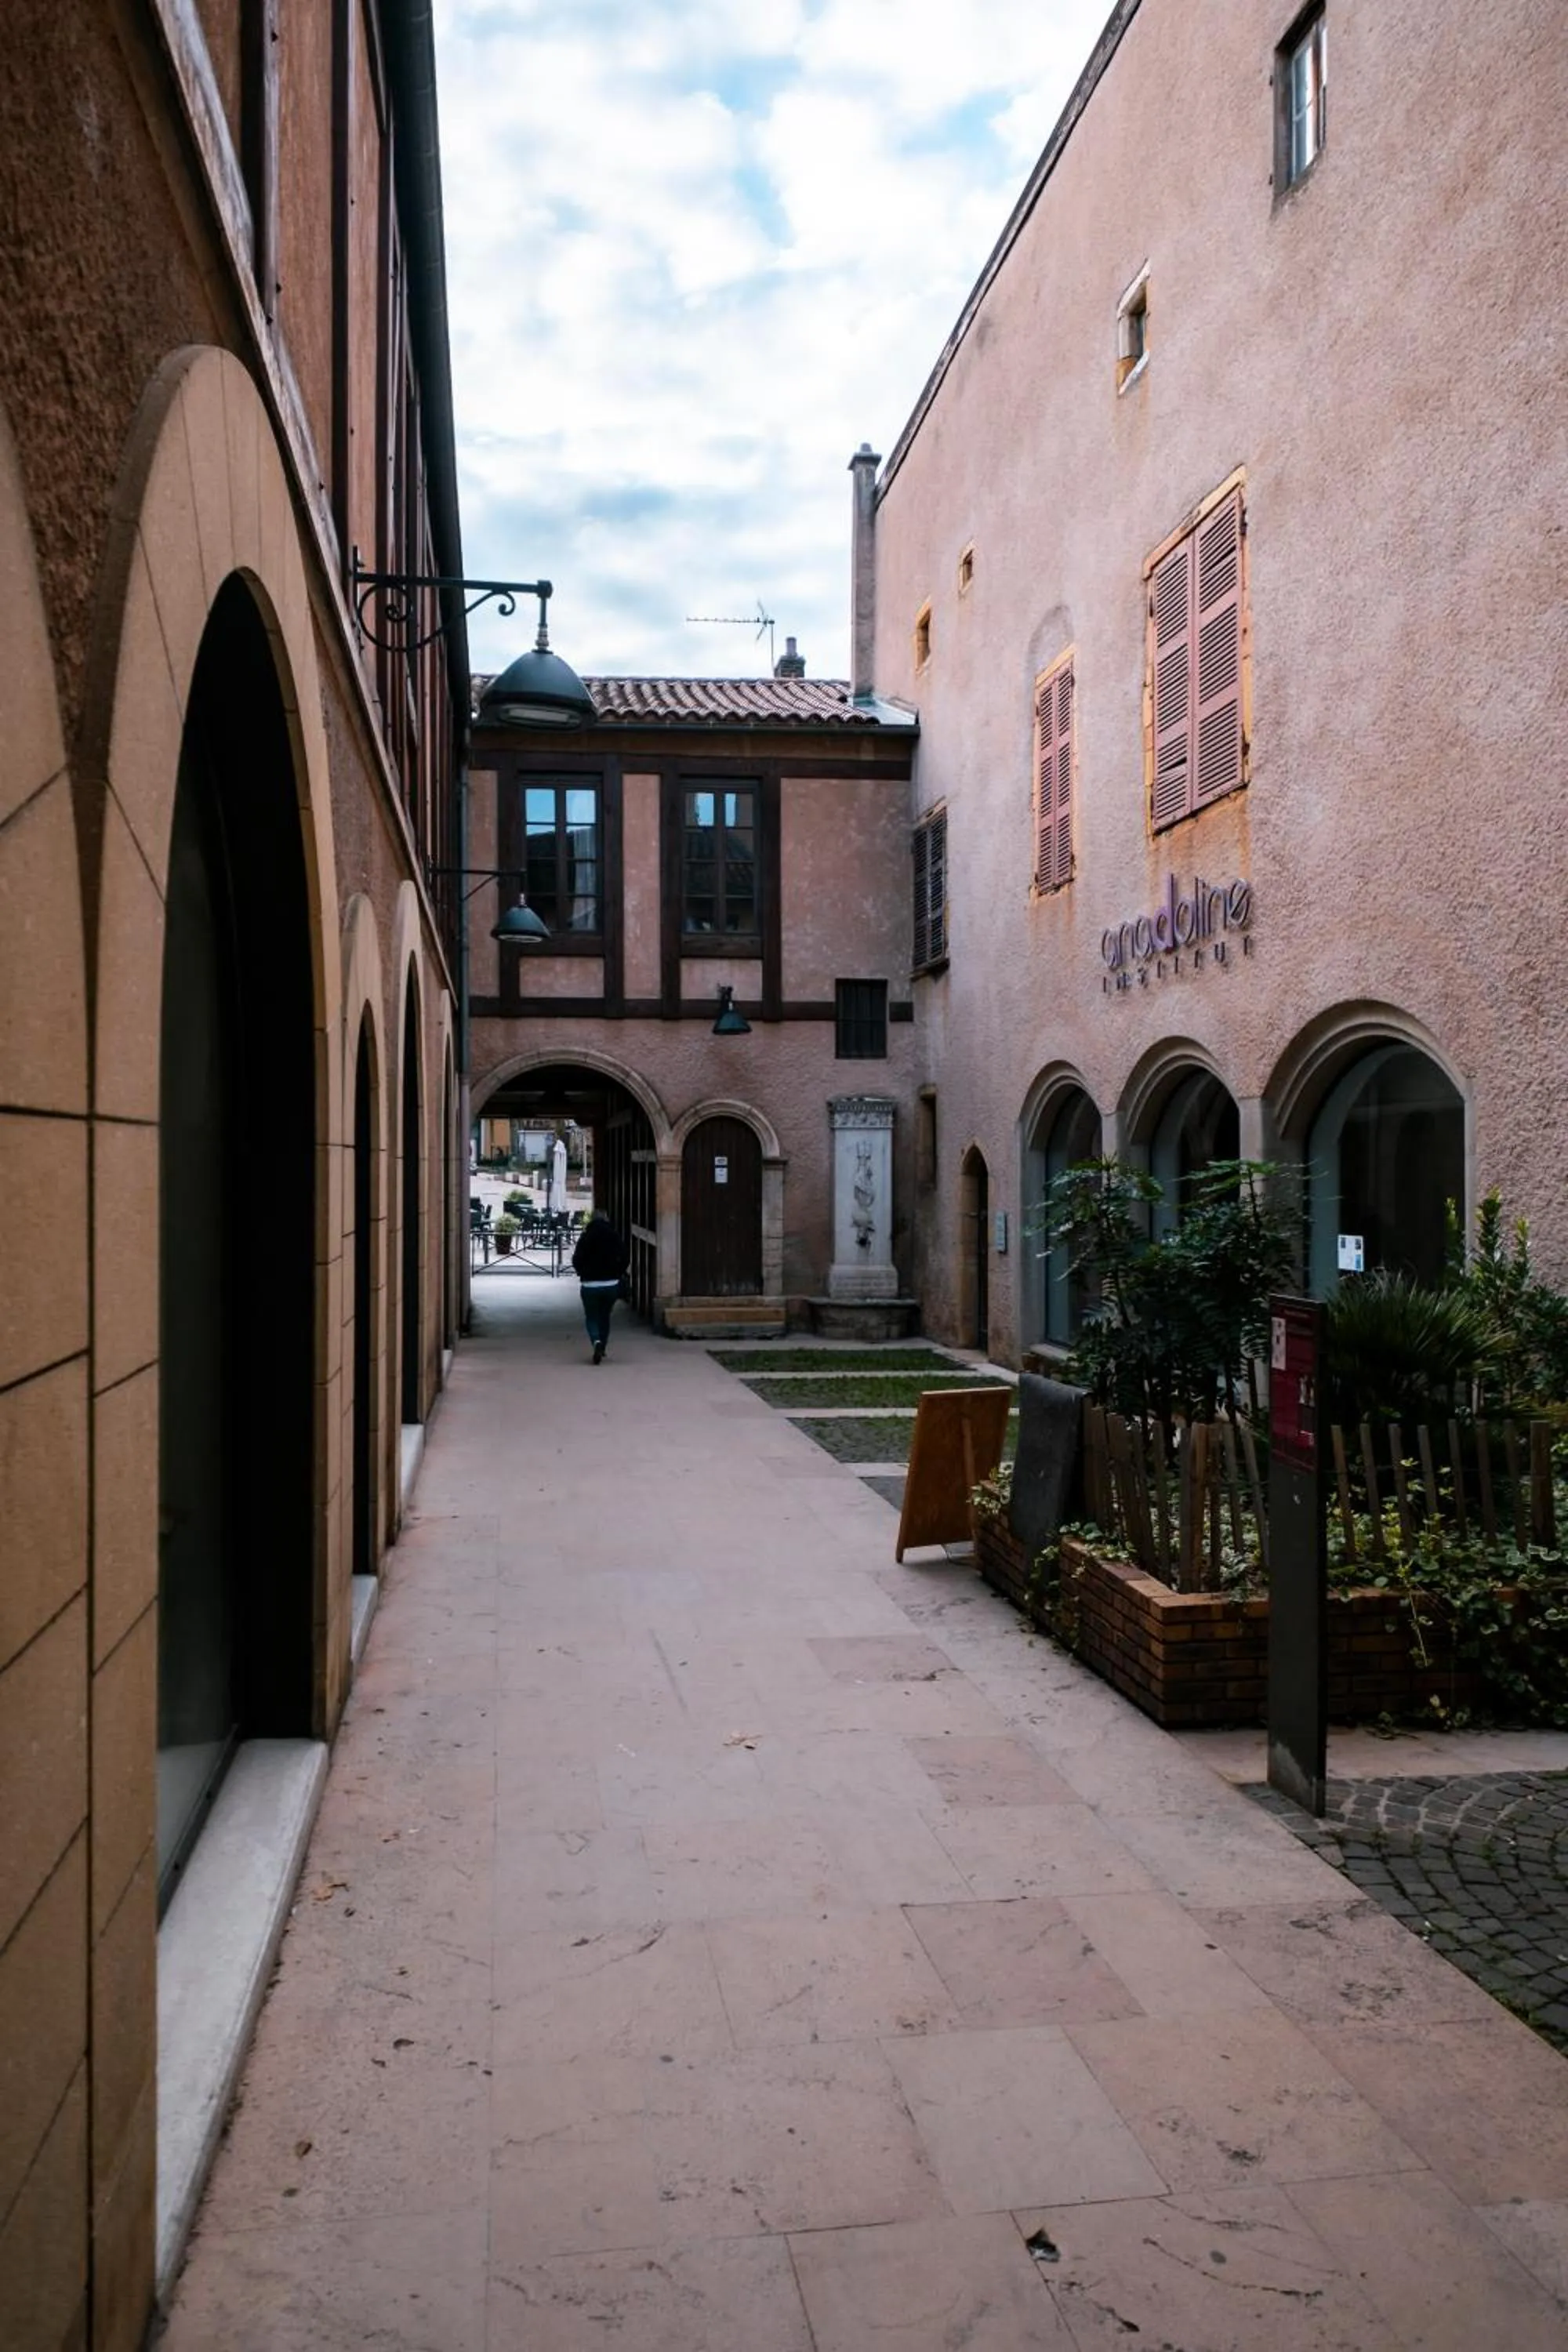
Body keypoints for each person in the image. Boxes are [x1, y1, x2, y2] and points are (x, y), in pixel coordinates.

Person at [572, 1210, 629, 1363]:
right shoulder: (614, 1235)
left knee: (591, 1317)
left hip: (589, 1284)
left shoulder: (585, 1237)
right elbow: (625, 1257)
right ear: (606, 1219)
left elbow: (576, 1259)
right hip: (611, 1284)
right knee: (605, 1316)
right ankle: (603, 1346)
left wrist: (582, 1273)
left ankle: (596, 1341)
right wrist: (618, 1272)